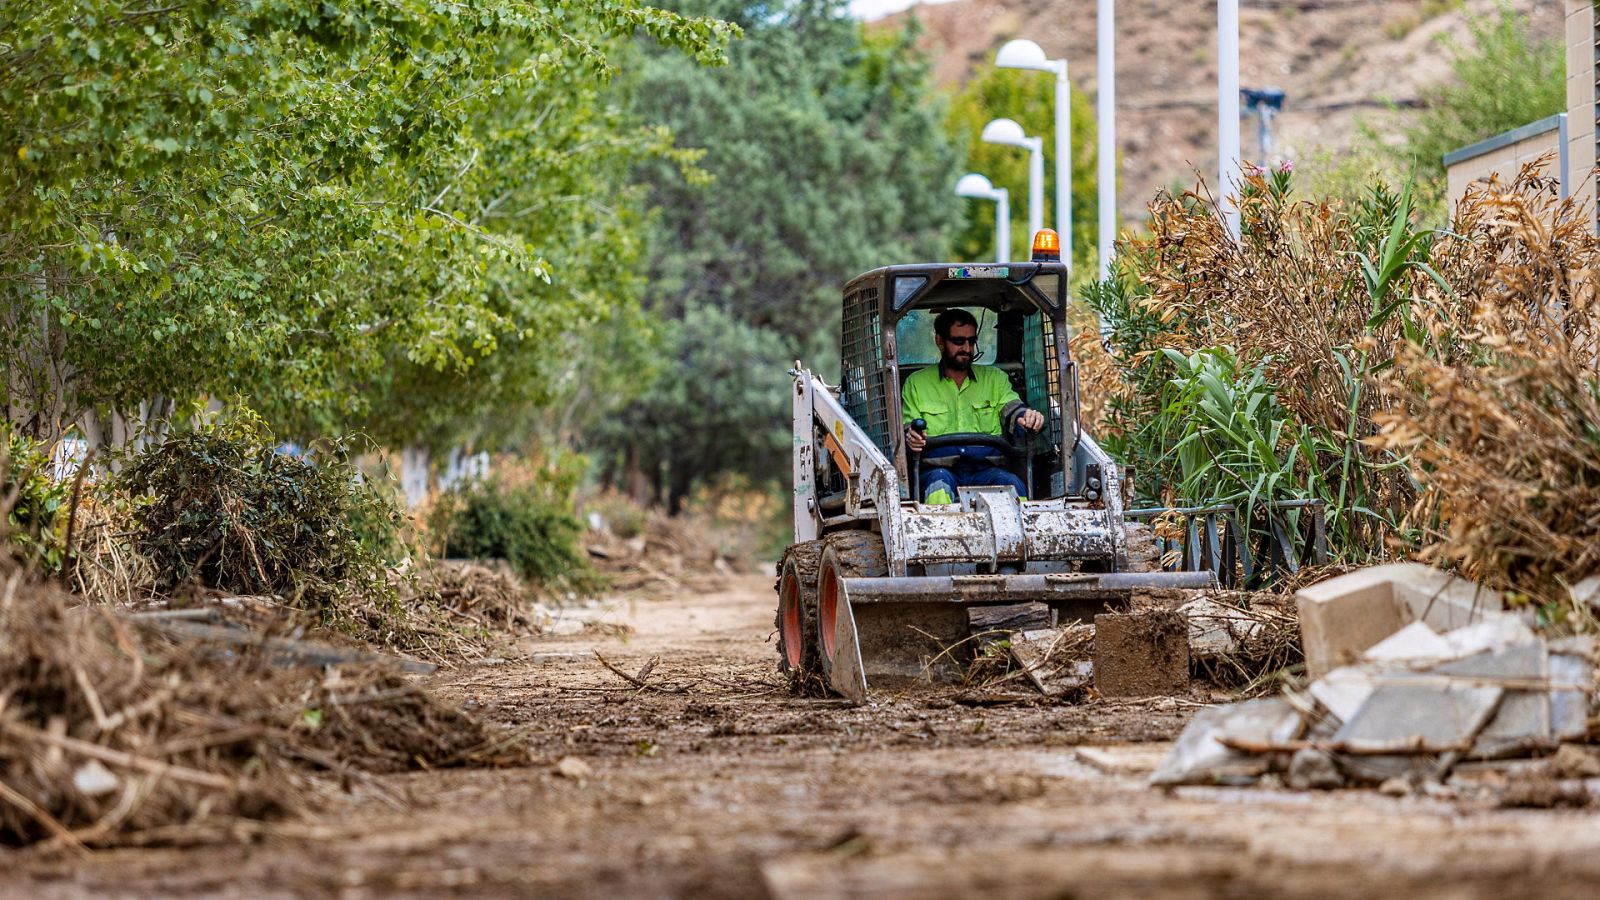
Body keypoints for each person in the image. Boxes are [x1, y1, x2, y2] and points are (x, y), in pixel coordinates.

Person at [901, 308, 1045, 504]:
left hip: (987, 470)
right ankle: (945, 534)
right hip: (939, 470)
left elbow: (1013, 410)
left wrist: (1028, 417)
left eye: (971, 341)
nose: (967, 349)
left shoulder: (995, 379)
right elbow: (908, 427)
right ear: (940, 341)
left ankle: (1025, 534)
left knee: (1012, 485)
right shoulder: (916, 384)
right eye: (959, 341)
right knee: (938, 486)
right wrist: (912, 437)